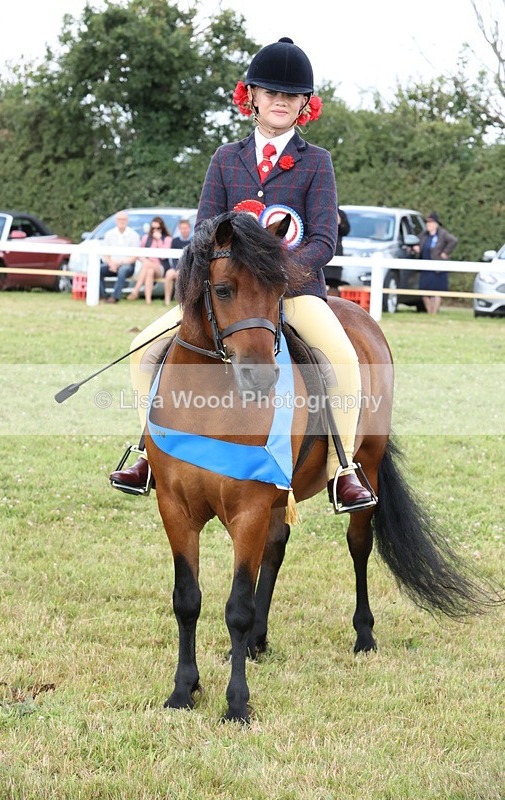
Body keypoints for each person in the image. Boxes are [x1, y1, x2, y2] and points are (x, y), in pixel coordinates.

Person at [110, 37, 376, 514]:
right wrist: (226, 275)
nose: (281, 101)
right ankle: (147, 451)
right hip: (228, 296)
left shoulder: (316, 162)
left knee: (343, 361)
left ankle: (343, 468)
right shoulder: (225, 159)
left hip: (294, 293)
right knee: (141, 347)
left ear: (304, 105)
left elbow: (323, 241)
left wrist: (274, 277)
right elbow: (204, 231)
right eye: (271, 91)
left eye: (291, 95)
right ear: (251, 95)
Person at [413, 211, 458, 314]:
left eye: (430, 223)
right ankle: (429, 312)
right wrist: (417, 248)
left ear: (436, 224)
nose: (428, 225)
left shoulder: (442, 234)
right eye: (427, 223)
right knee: (424, 292)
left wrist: (445, 252)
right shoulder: (424, 234)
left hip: (437, 269)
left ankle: (434, 313)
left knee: (436, 292)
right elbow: (418, 243)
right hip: (425, 267)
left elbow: (453, 241)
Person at [127, 217, 172, 303]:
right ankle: (148, 301)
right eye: (153, 228)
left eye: (158, 228)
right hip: (147, 266)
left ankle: (136, 290)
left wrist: (159, 240)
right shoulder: (145, 238)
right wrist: (145, 260)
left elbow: (164, 256)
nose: (155, 230)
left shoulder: (167, 239)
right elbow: (139, 254)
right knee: (149, 271)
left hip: (160, 268)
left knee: (148, 265)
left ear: (162, 228)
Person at [99, 211, 141, 304]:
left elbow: (134, 257)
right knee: (98, 269)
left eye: (124, 219)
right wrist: (111, 263)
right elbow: (105, 254)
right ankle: (102, 296)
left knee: (122, 270)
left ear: (127, 221)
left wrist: (119, 263)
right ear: (116, 221)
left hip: (127, 266)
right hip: (112, 265)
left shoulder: (134, 235)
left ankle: (114, 297)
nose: (121, 221)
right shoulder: (109, 234)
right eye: (119, 219)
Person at [164, 219, 192, 306]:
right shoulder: (175, 241)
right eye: (182, 228)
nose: (184, 230)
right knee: (169, 274)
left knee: (180, 274)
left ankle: (180, 301)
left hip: (187, 267)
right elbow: (172, 257)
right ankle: (167, 300)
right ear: (179, 229)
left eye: (186, 228)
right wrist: (176, 268)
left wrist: (181, 269)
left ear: (189, 228)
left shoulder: (193, 240)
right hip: (176, 266)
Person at [324, 207, 350, 296]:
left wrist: (340, 223)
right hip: (323, 250)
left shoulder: (341, 213)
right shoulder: (322, 211)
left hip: (336, 251)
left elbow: (346, 230)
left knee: (334, 283)